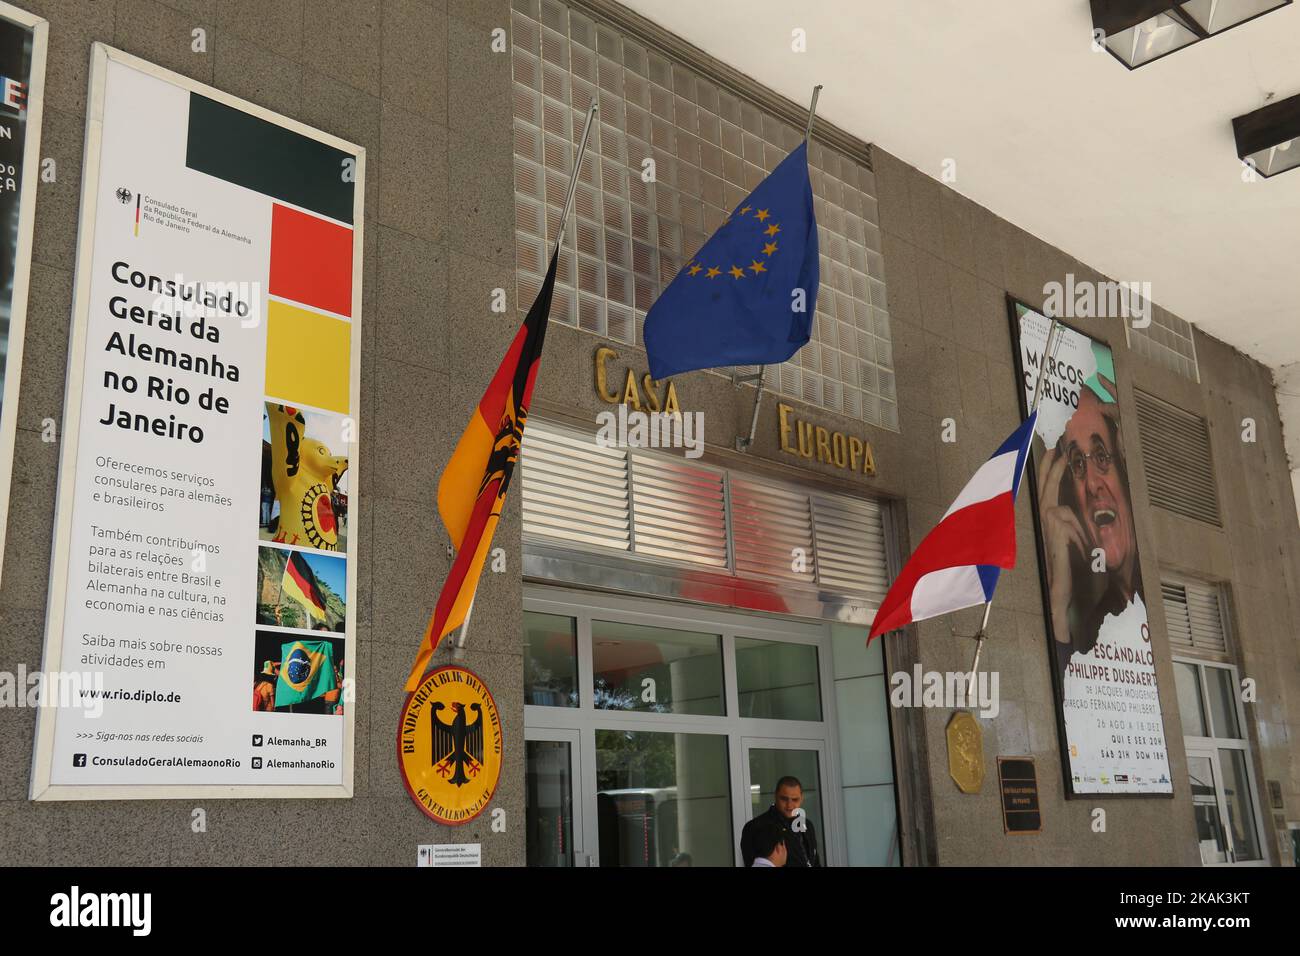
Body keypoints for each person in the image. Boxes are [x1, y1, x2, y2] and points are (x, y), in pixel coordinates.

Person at [1036, 380, 1141, 679]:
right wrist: (1056, 607)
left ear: (1123, 465)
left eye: (1102, 456)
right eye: (1078, 464)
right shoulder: (1097, 629)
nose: (1093, 484)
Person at [739, 776, 821, 867]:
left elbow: (815, 861)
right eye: (784, 799)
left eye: (795, 800)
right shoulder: (756, 827)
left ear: (802, 798)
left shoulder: (807, 825)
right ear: (775, 796)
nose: (789, 805)